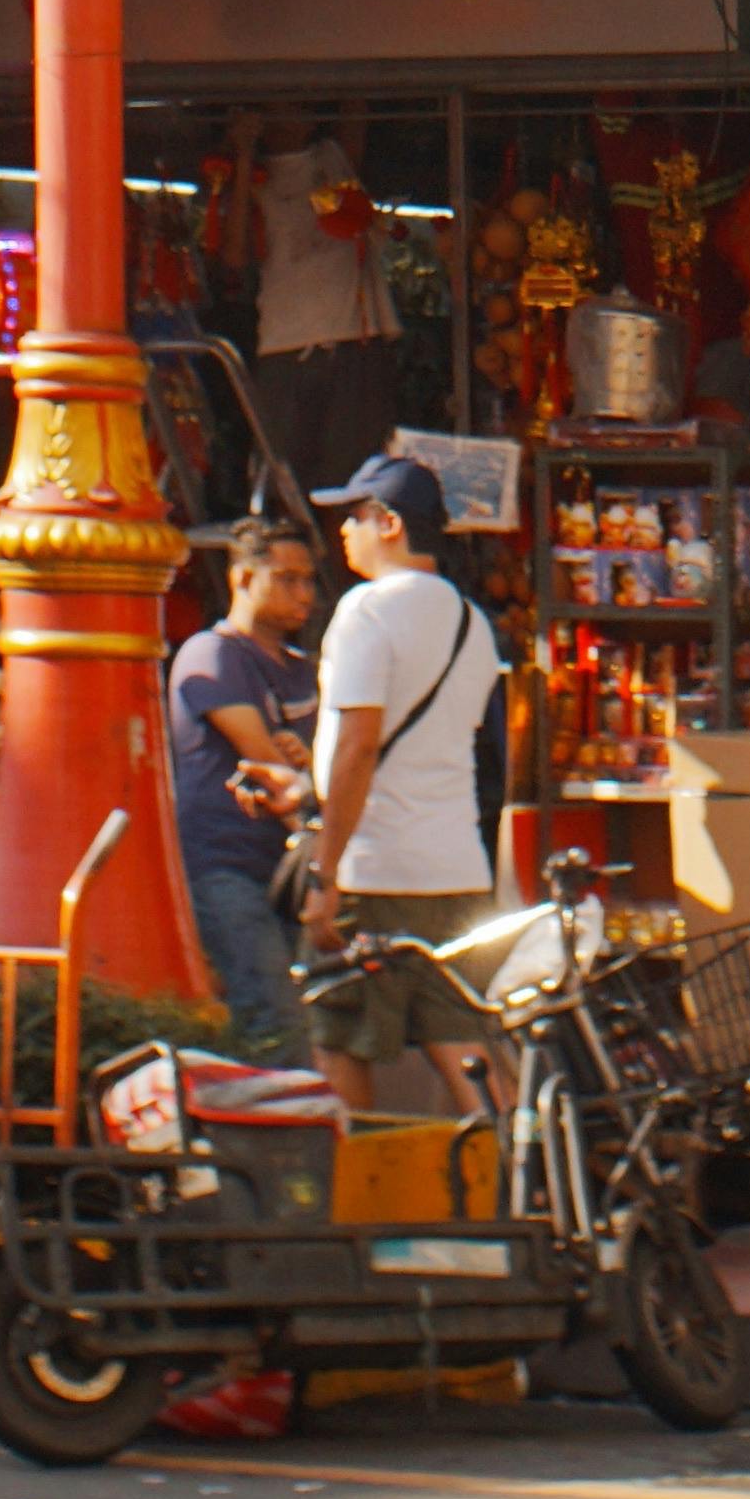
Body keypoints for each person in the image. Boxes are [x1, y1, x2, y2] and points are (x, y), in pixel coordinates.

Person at [302, 451, 498, 1127]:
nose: (344, 532)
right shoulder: (473, 624)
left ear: (388, 523)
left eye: (354, 517)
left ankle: (357, 1208)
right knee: (461, 1045)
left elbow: (358, 748)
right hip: (456, 869)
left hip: (374, 869)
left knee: (338, 1040)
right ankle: (513, 1193)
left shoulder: (366, 612)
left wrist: (323, 874)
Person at [170, 513, 322, 1056]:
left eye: (308, 580)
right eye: (286, 579)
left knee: (285, 1016)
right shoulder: (210, 656)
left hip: (288, 874)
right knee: (273, 1021)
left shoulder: (304, 667)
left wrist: (307, 767)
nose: (303, 593)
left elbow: (316, 759)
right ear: (241, 578)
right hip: (225, 866)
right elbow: (266, 757)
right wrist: (304, 775)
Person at [244, 109, 400, 499]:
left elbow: (356, 101)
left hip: (353, 340)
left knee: (355, 483)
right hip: (284, 344)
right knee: (283, 482)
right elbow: (233, 256)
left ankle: (344, 558)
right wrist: (244, 149)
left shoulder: (332, 156)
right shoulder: (250, 178)